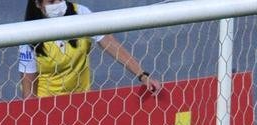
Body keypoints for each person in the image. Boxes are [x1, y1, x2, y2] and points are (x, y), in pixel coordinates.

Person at [19, 0, 163, 99]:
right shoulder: (29, 34)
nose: (58, 4)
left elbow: (110, 43)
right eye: (51, 2)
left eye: (60, 0)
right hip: (47, 108)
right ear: (37, 4)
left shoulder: (81, 13)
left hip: (83, 102)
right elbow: (28, 87)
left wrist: (142, 75)